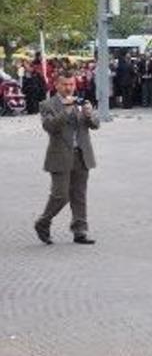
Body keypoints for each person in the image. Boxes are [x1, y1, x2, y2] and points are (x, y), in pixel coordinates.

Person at [34, 70, 99, 245]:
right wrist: (67, 110)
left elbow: (95, 125)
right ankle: (43, 222)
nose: (69, 88)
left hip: (82, 155)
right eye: (65, 84)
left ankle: (80, 230)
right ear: (56, 85)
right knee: (60, 195)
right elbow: (50, 127)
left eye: (71, 84)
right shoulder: (47, 105)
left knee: (79, 195)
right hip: (60, 156)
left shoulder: (82, 102)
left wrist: (90, 114)